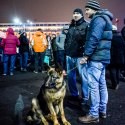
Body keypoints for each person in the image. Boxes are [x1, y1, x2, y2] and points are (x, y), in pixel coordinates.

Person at [78, 0, 113, 123]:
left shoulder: (98, 19)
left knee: (94, 86)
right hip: (102, 57)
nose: (86, 12)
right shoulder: (105, 18)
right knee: (102, 85)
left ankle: (93, 114)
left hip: (96, 58)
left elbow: (94, 38)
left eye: (87, 9)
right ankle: (102, 110)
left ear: (94, 9)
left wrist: (86, 56)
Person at [64, 8, 89, 106]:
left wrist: (85, 54)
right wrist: (66, 49)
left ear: (82, 15)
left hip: (80, 56)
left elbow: (88, 41)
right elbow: (67, 40)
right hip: (69, 55)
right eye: (74, 13)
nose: (75, 14)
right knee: (70, 77)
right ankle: (74, 94)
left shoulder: (86, 25)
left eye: (77, 13)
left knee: (84, 78)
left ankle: (85, 97)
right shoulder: (71, 26)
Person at [108, 25, 125, 89]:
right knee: (118, 70)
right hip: (120, 57)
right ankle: (117, 83)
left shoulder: (110, 37)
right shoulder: (120, 37)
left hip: (112, 57)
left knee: (112, 70)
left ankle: (114, 84)